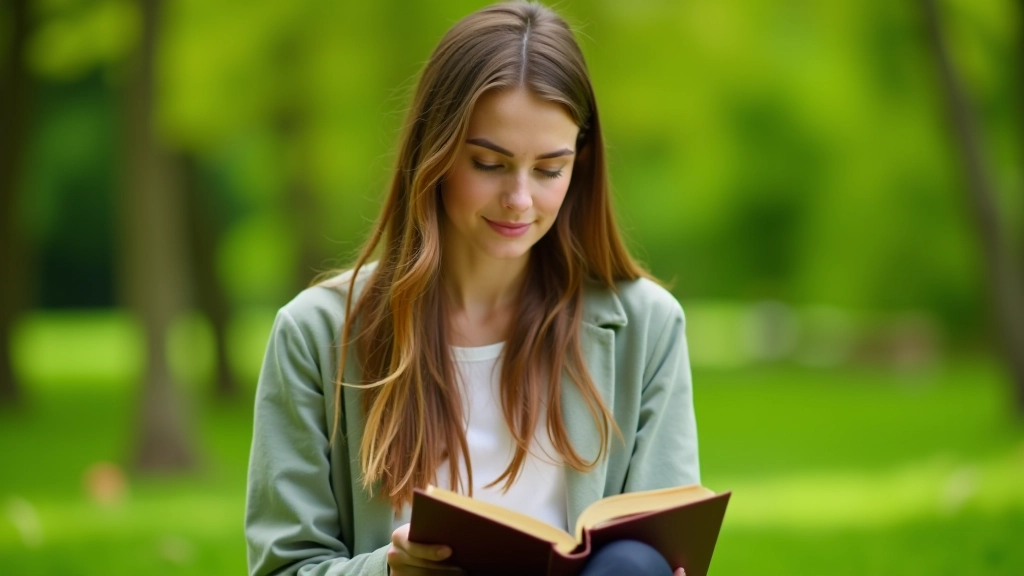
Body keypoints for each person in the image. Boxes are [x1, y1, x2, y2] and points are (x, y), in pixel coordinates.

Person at [245, 2, 699, 575]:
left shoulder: (647, 325)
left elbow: (659, 547)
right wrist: (388, 570)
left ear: (579, 165)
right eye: (489, 163)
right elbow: (285, 567)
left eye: (549, 169)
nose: (519, 200)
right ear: (433, 153)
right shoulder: (316, 333)